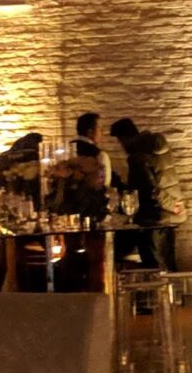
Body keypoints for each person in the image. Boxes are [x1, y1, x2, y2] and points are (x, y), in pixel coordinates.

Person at [0, 132, 43, 292]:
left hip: (8, 222)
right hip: (36, 222)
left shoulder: (2, 160)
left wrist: (5, 205)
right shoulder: (37, 159)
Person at [110, 116, 171, 268]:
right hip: (167, 215)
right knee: (168, 264)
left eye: (120, 141)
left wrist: (117, 184)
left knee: (154, 268)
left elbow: (147, 189)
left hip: (151, 219)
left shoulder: (137, 157)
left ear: (125, 138)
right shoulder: (155, 148)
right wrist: (171, 205)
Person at [70, 112, 112, 188]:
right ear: (90, 132)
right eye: (100, 128)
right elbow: (104, 186)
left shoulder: (67, 151)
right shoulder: (100, 155)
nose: (102, 132)